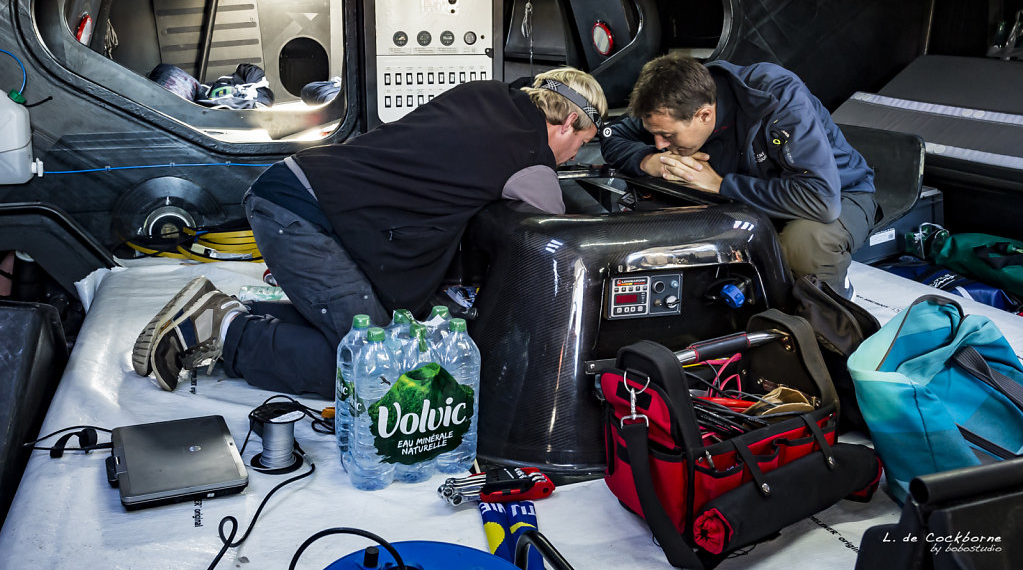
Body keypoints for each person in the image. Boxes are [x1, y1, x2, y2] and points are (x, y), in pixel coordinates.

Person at [132, 68, 606, 397]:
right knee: (377, 368)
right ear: (568, 122)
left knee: (363, 326)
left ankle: (232, 312)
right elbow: (554, 240)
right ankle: (223, 331)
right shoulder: (530, 157)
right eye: (580, 145)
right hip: (305, 218)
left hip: (298, 189)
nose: (573, 157)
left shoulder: (484, 94)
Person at [600, 55, 876, 297]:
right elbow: (613, 135)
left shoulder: (778, 99)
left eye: (667, 136)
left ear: (704, 115)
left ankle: (830, 315)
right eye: (654, 134)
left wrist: (720, 185)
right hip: (748, 200)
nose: (659, 143)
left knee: (804, 245)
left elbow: (820, 200)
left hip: (839, 195)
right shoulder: (671, 102)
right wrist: (650, 160)